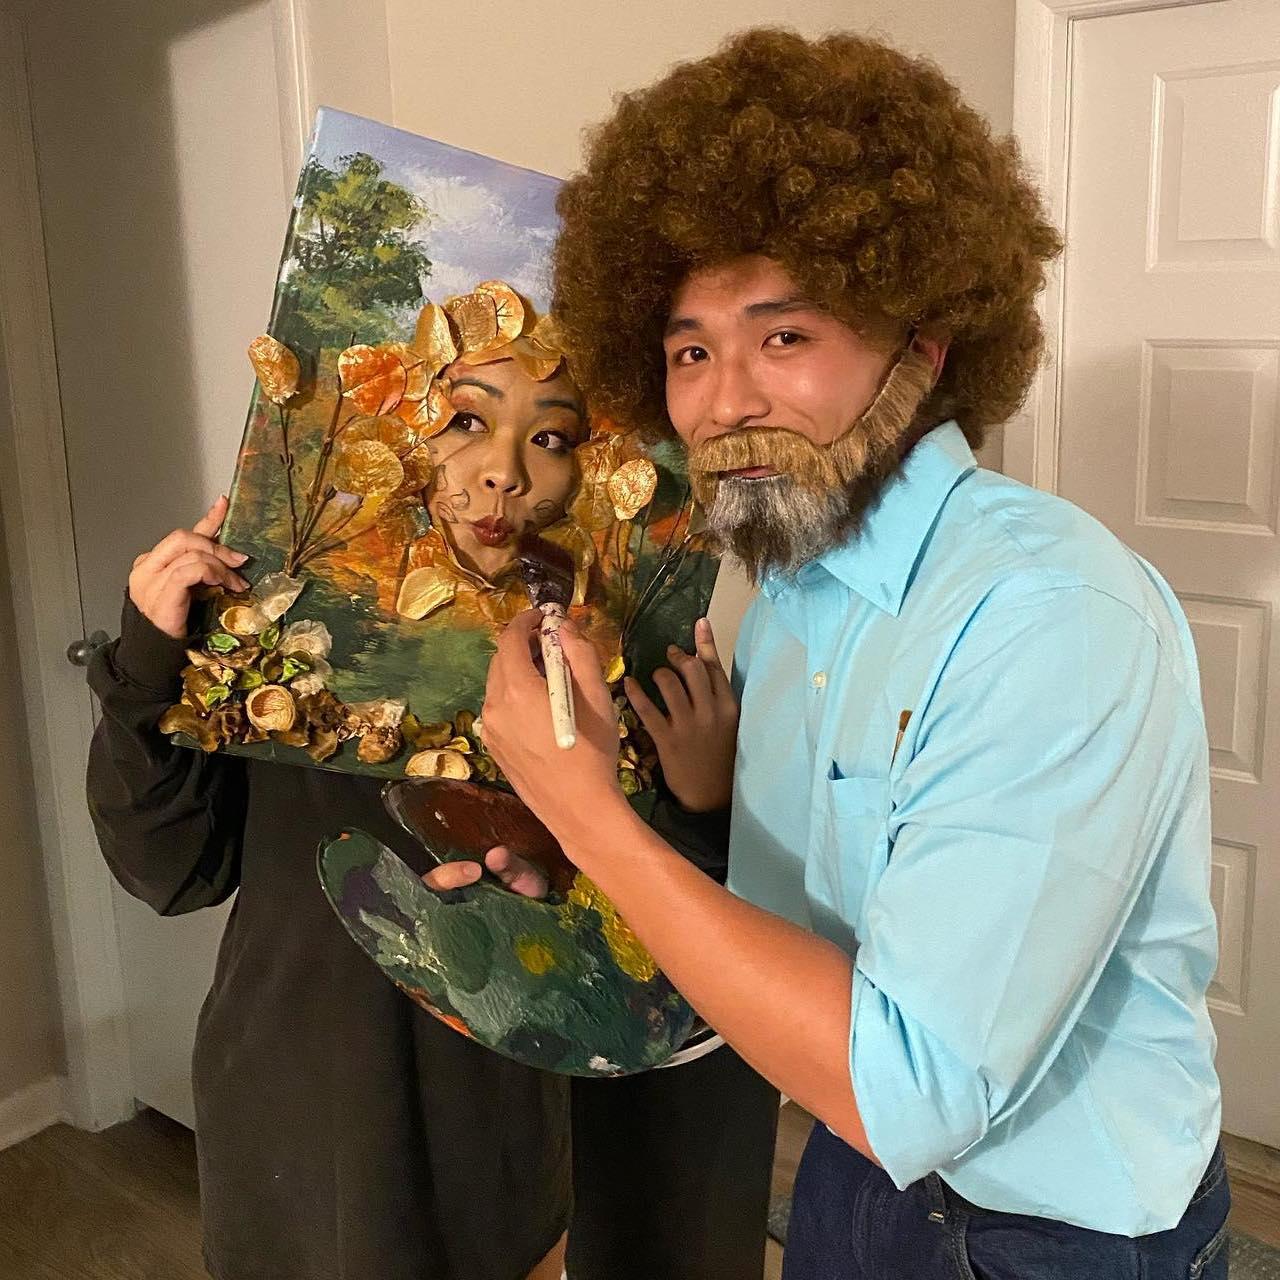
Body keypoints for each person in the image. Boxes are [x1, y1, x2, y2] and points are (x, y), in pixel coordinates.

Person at [464, 28, 1229, 1280]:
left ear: (922, 350)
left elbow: (909, 1087)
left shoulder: (1045, 617)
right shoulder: (789, 591)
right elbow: (803, 933)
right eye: (690, 350)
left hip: (1054, 1228)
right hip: (844, 1165)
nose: (724, 401)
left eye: (783, 338)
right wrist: (598, 866)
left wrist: (591, 816)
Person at [86, 323, 779, 1275]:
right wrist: (146, 668)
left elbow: (660, 969)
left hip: (498, 1142)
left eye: (551, 437)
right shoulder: (287, 648)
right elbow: (168, 871)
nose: (504, 473)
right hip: (292, 1123)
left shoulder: (603, 678)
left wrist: (702, 810)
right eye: (463, 420)